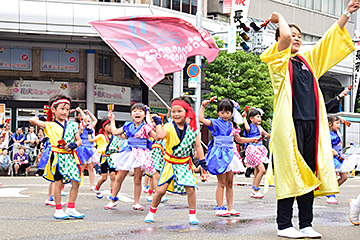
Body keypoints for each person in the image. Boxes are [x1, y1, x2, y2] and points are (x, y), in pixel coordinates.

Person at [260, 2, 360, 238]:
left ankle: (306, 223)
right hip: (289, 127)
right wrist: (280, 17)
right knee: (290, 175)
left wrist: (346, 14)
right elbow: (283, 36)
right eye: (292, 36)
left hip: (312, 126)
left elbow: (328, 40)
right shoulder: (277, 62)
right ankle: (284, 225)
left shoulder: (307, 62)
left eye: (299, 36)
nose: (296, 39)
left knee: (310, 174)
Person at [144, 96, 206, 225]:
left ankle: (192, 215)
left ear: (187, 112)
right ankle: (151, 212)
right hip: (170, 163)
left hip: (184, 163)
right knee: (160, 191)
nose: (176, 114)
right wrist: (159, 124)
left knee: (191, 189)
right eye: (173, 111)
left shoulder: (193, 128)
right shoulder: (168, 126)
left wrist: (202, 161)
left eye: (179, 111)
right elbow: (159, 137)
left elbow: (198, 145)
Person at [199, 98, 257, 217]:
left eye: (228, 112)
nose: (225, 115)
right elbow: (201, 119)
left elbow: (238, 139)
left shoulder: (232, 124)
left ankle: (230, 207)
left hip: (230, 153)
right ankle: (220, 207)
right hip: (220, 154)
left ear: (232, 112)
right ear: (218, 112)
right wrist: (203, 106)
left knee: (230, 183)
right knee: (221, 183)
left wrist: (251, 140)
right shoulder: (215, 122)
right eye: (222, 112)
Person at [30, 94, 84, 220]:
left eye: (67, 109)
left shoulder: (72, 125)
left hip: (70, 156)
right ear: (53, 110)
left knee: (76, 181)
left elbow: (79, 141)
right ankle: (58, 209)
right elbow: (32, 120)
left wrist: (73, 145)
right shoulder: (50, 125)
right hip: (57, 156)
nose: (65, 112)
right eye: (62, 109)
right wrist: (42, 116)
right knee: (58, 182)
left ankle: (71, 207)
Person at [104, 103, 161, 211]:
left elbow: (157, 138)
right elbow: (115, 132)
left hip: (141, 153)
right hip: (129, 152)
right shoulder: (127, 125)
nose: (137, 113)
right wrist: (112, 120)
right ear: (131, 114)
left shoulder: (146, 127)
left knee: (137, 179)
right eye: (134, 111)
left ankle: (136, 202)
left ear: (145, 114)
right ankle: (112, 200)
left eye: (140, 111)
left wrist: (158, 125)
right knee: (120, 177)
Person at [326, 115, 355, 204]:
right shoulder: (327, 134)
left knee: (344, 176)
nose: (339, 125)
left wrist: (340, 119)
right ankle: (330, 195)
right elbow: (325, 145)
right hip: (332, 157)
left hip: (339, 156)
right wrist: (332, 151)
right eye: (337, 123)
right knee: (333, 176)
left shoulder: (336, 132)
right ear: (329, 124)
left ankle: (331, 192)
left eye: (339, 123)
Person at [243, 109, 271, 199]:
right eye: (257, 117)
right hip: (252, 149)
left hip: (259, 149)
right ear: (251, 118)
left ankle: (254, 191)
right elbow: (247, 128)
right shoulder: (250, 126)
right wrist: (244, 117)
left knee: (257, 171)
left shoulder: (260, 127)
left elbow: (268, 135)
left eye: (260, 117)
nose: (259, 119)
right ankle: (256, 189)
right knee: (262, 170)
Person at [92, 117, 121, 200]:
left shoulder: (115, 137)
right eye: (108, 125)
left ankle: (112, 193)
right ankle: (96, 188)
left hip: (112, 158)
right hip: (104, 158)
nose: (110, 127)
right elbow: (91, 140)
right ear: (104, 127)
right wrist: (90, 131)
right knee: (104, 177)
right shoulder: (100, 136)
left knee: (113, 176)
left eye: (111, 125)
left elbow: (118, 147)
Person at [145, 112, 168, 203]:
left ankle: (149, 194)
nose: (153, 123)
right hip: (152, 154)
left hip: (160, 154)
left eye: (155, 121)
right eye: (152, 121)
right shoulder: (148, 131)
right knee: (156, 174)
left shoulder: (161, 130)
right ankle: (158, 195)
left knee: (154, 176)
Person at [75, 107, 99, 191]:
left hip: (90, 147)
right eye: (86, 118)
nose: (88, 119)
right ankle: (78, 182)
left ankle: (92, 185)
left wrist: (89, 113)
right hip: (82, 148)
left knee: (91, 167)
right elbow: (84, 118)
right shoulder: (81, 127)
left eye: (89, 118)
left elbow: (95, 120)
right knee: (81, 166)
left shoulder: (91, 127)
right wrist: (81, 111)